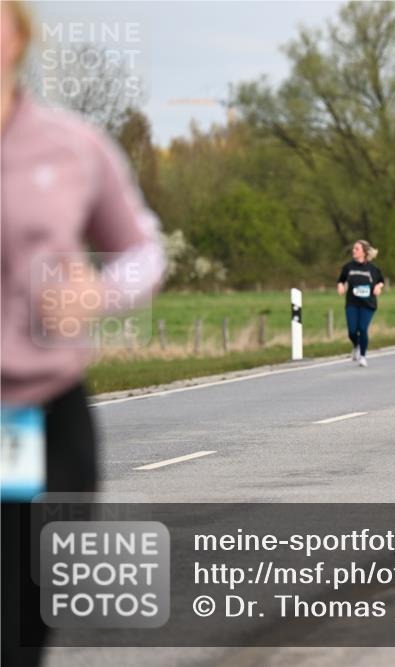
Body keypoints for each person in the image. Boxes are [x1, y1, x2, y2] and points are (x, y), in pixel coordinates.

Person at [1, 3, 165, 664]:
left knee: (24, 610)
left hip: (39, 415)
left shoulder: (71, 146)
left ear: (17, 34)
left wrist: (98, 291)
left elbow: (142, 249)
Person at [337, 240, 384, 367]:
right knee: (352, 331)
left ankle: (363, 356)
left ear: (364, 252)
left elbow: (380, 281)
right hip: (352, 303)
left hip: (368, 304)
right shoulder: (348, 267)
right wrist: (341, 286)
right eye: (353, 248)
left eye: (356, 249)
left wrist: (378, 287)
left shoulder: (373, 269)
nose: (353, 251)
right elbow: (341, 280)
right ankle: (356, 345)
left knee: (362, 328)